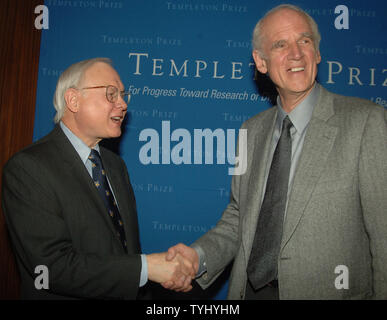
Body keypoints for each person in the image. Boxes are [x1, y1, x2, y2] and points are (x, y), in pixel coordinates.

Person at [165, 4, 387, 299]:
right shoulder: (250, 130)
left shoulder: (365, 121)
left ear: (317, 53)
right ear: (261, 61)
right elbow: (239, 217)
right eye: (280, 45)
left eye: (304, 41)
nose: (296, 53)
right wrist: (198, 256)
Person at [1, 58, 195, 299]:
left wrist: (151, 273)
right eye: (111, 94)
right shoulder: (29, 169)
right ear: (73, 100)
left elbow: (124, 251)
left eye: (123, 95)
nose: (123, 104)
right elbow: (50, 269)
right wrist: (147, 268)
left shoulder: (115, 166)